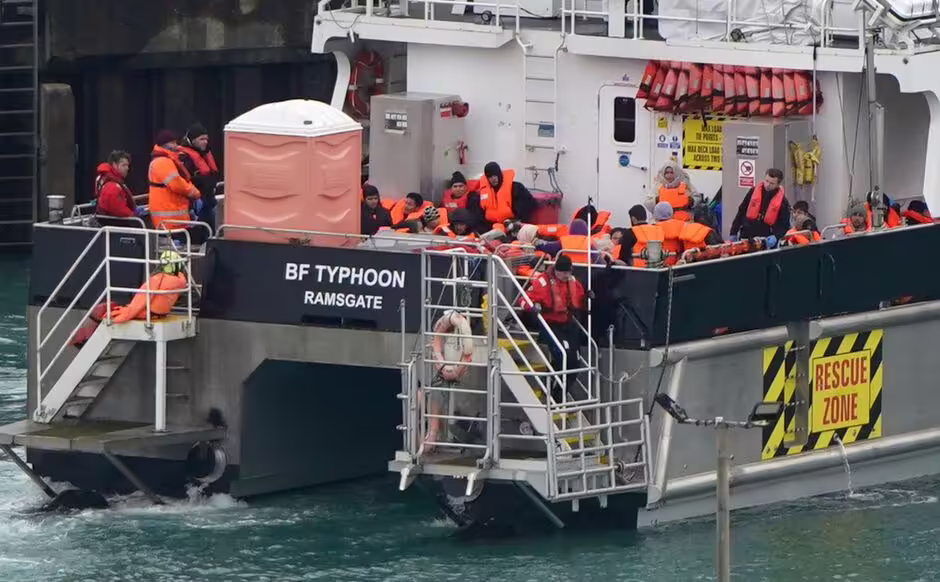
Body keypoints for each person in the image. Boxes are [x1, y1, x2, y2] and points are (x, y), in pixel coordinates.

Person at [524, 254, 586, 401]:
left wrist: (587, 297)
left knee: (575, 363)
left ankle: (559, 394)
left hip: (568, 324)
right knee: (562, 357)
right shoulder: (542, 282)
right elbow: (525, 299)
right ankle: (550, 388)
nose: (566, 275)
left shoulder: (573, 282)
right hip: (551, 325)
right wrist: (533, 306)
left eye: (569, 272)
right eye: (564, 272)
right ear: (557, 270)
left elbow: (580, 297)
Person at [147, 129, 201, 242]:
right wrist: (195, 193)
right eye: (173, 143)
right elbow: (177, 184)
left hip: (173, 220)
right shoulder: (163, 162)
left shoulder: (166, 160)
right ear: (165, 144)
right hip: (169, 222)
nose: (176, 146)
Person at [177, 123, 222, 242]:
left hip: (208, 201)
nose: (205, 142)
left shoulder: (203, 155)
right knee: (200, 236)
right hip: (196, 204)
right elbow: (183, 181)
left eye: (206, 139)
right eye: (201, 139)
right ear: (192, 140)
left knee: (210, 234)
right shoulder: (184, 157)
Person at [729, 167, 790, 246]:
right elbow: (741, 211)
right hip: (747, 235)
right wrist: (733, 232)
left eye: (772, 183)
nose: (767, 185)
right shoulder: (753, 192)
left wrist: (776, 236)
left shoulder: (783, 202)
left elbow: (785, 225)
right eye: (766, 181)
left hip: (766, 239)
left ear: (778, 185)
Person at [95, 150, 147, 227]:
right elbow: (117, 209)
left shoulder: (105, 178)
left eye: (127, 165)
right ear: (114, 165)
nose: (127, 168)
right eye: (123, 165)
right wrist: (134, 214)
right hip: (114, 224)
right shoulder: (112, 186)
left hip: (110, 222)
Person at [478, 161, 536, 229]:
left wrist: (518, 222)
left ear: (499, 174)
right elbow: (481, 214)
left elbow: (531, 204)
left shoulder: (516, 188)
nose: (493, 179)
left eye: (495, 175)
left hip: (513, 225)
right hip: (492, 226)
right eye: (490, 177)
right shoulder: (484, 193)